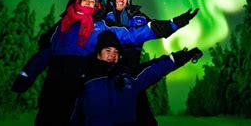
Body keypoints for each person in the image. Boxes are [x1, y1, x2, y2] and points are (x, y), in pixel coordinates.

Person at [12, 0, 199, 126]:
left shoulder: (100, 26)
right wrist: (26, 75)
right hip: (54, 84)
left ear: (98, 6)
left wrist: (173, 24)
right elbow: (45, 54)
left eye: (93, 1)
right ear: (77, 1)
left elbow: (134, 34)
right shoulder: (61, 27)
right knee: (46, 118)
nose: (88, 2)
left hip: (81, 82)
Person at [71, 30, 203, 126]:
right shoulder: (85, 77)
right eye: (108, 50)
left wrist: (185, 55)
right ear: (98, 53)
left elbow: (157, 67)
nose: (112, 54)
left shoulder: (130, 75)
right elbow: (75, 113)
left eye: (116, 51)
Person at [105, 0, 170, 125]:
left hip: (132, 73)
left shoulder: (138, 16)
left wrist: (174, 24)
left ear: (129, 0)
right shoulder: (101, 16)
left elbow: (156, 27)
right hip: (105, 75)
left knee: (142, 117)